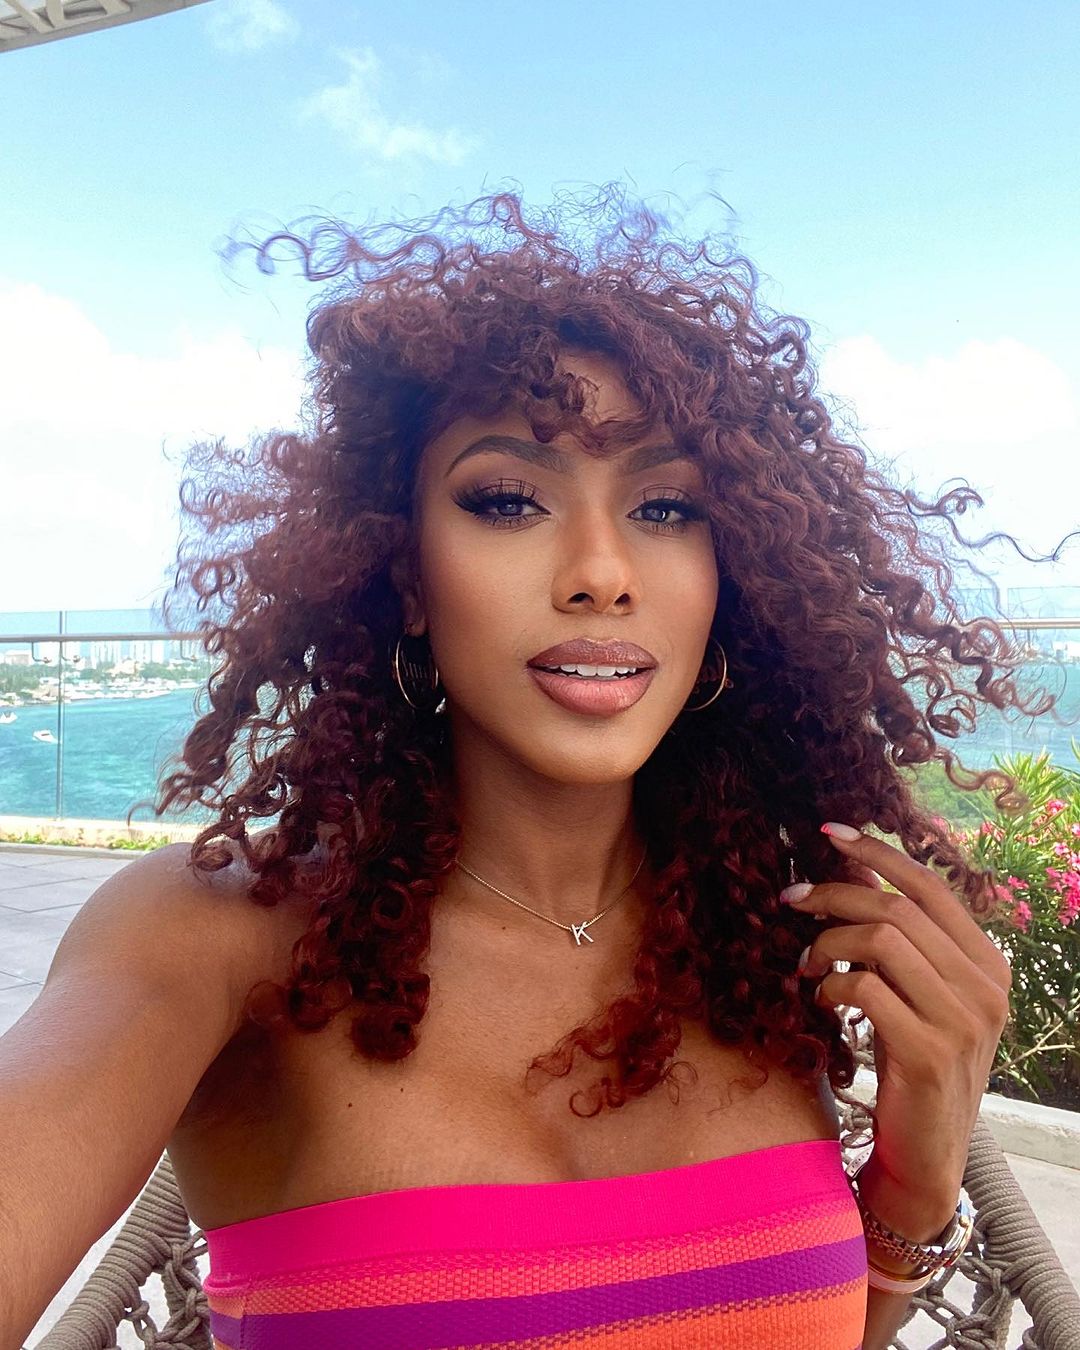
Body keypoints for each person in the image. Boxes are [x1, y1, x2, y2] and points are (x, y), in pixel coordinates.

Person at [5, 187, 1046, 1350]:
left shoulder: (765, 934)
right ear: (406, 573)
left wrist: (917, 1180)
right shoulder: (221, 938)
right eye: (507, 500)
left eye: (666, 507)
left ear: (732, 580)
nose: (602, 572)